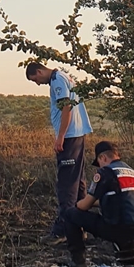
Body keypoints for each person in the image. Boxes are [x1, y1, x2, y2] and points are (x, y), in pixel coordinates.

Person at [62, 140, 134, 267]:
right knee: (126, 216)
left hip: (118, 229)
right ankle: (132, 262)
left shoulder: (106, 172)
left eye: (99, 162)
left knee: (70, 214)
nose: (99, 166)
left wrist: (78, 204)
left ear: (103, 158)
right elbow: (121, 200)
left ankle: (78, 266)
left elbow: (84, 205)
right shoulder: (133, 173)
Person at [25, 61, 93, 238]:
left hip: (70, 136)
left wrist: (61, 136)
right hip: (77, 133)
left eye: (35, 80)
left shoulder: (57, 80)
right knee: (78, 183)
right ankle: (80, 227)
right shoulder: (64, 76)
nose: (38, 84)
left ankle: (64, 230)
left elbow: (66, 108)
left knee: (67, 185)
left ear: (39, 71)